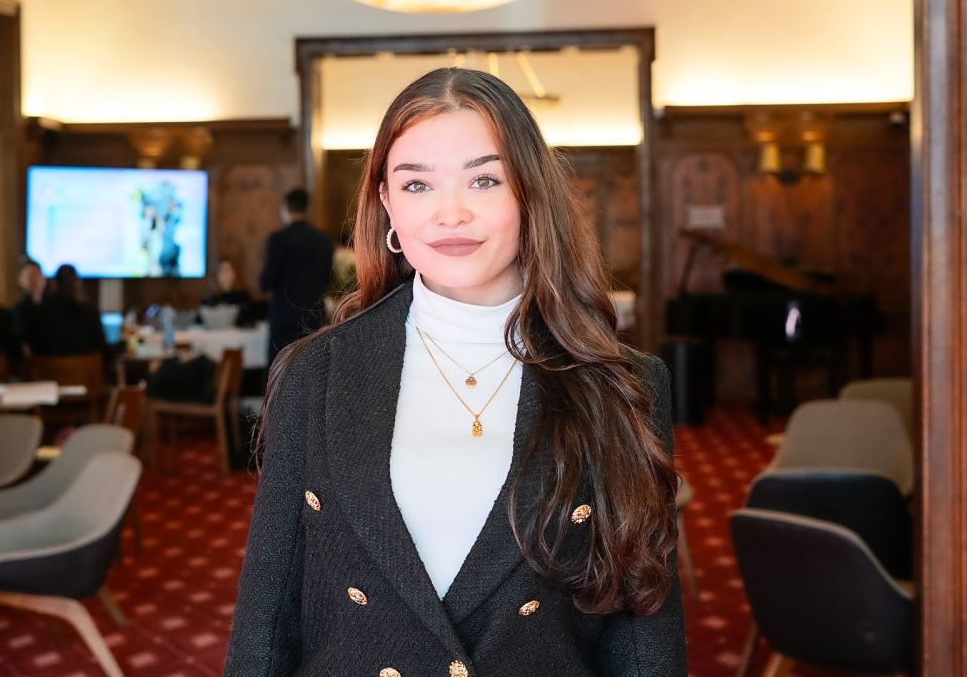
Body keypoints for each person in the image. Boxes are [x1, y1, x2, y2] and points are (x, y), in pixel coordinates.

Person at [225, 68, 685, 676]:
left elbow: (643, 639)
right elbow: (266, 620)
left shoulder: (622, 386)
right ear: (387, 204)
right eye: (417, 185)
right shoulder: (315, 375)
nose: (451, 214)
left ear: (529, 195)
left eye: (484, 179)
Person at [258, 188, 335, 363]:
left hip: (284, 321)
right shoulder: (323, 241)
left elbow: (265, 282)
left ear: (285, 208)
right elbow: (328, 279)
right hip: (314, 319)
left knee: (280, 372)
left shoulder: (278, 240)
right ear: (307, 209)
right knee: (313, 370)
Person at [25, 264, 106, 356]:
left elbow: (32, 345)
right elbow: (103, 348)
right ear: (78, 283)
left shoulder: (39, 311)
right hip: (83, 365)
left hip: (46, 365)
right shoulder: (89, 312)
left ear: (54, 283)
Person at [201, 257, 265, 327]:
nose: (227, 274)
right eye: (223, 271)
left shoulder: (242, 296)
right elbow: (202, 320)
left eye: (230, 269)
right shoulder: (210, 298)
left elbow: (252, 317)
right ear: (216, 274)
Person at [10, 256, 46, 344]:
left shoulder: (53, 305)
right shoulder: (18, 309)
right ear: (21, 280)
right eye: (30, 276)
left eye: (37, 275)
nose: (35, 280)